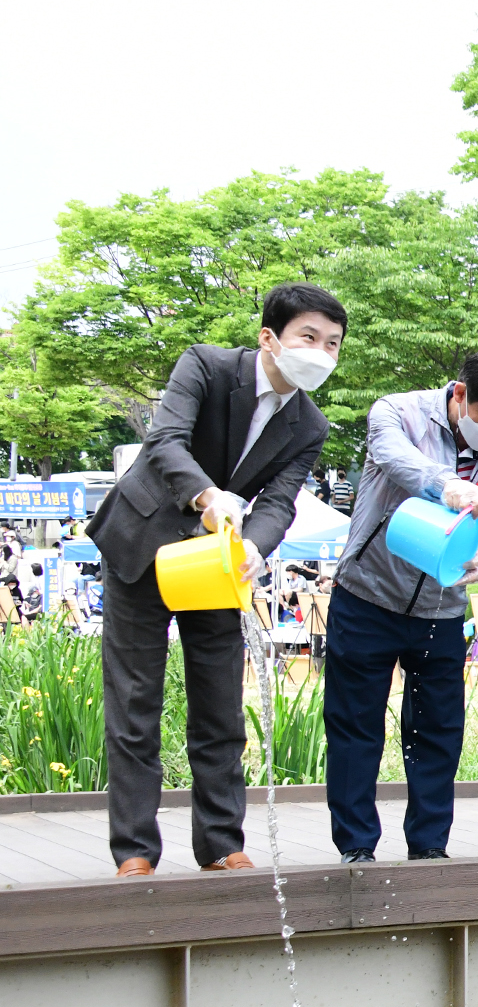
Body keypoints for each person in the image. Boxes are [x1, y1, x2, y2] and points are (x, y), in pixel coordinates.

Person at [85, 282, 338, 874]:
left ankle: (221, 845)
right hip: (141, 546)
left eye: (332, 344)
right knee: (135, 703)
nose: (321, 353)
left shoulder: (309, 425)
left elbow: (280, 501)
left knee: (221, 709)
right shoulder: (205, 365)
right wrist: (205, 494)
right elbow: (164, 441)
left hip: (217, 563)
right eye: (309, 337)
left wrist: (256, 544)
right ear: (269, 337)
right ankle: (135, 853)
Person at [324, 344, 478, 864]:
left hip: (441, 608)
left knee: (438, 731)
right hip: (367, 595)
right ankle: (355, 846)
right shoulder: (397, 412)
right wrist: (447, 485)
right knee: (355, 725)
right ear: (460, 394)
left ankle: (429, 846)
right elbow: (398, 461)